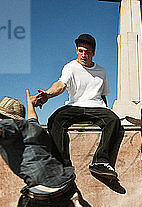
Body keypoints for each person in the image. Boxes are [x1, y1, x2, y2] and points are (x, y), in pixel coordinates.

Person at [32, 34, 124, 179]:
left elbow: (103, 95)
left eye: (87, 52)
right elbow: (60, 85)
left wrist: (107, 112)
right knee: (55, 119)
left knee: (113, 120)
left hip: (96, 107)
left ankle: (101, 161)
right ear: (76, 51)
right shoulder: (70, 67)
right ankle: (63, 164)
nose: (83, 55)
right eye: (80, 51)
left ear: (93, 53)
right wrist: (47, 95)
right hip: (75, 106)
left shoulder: (101, 72)